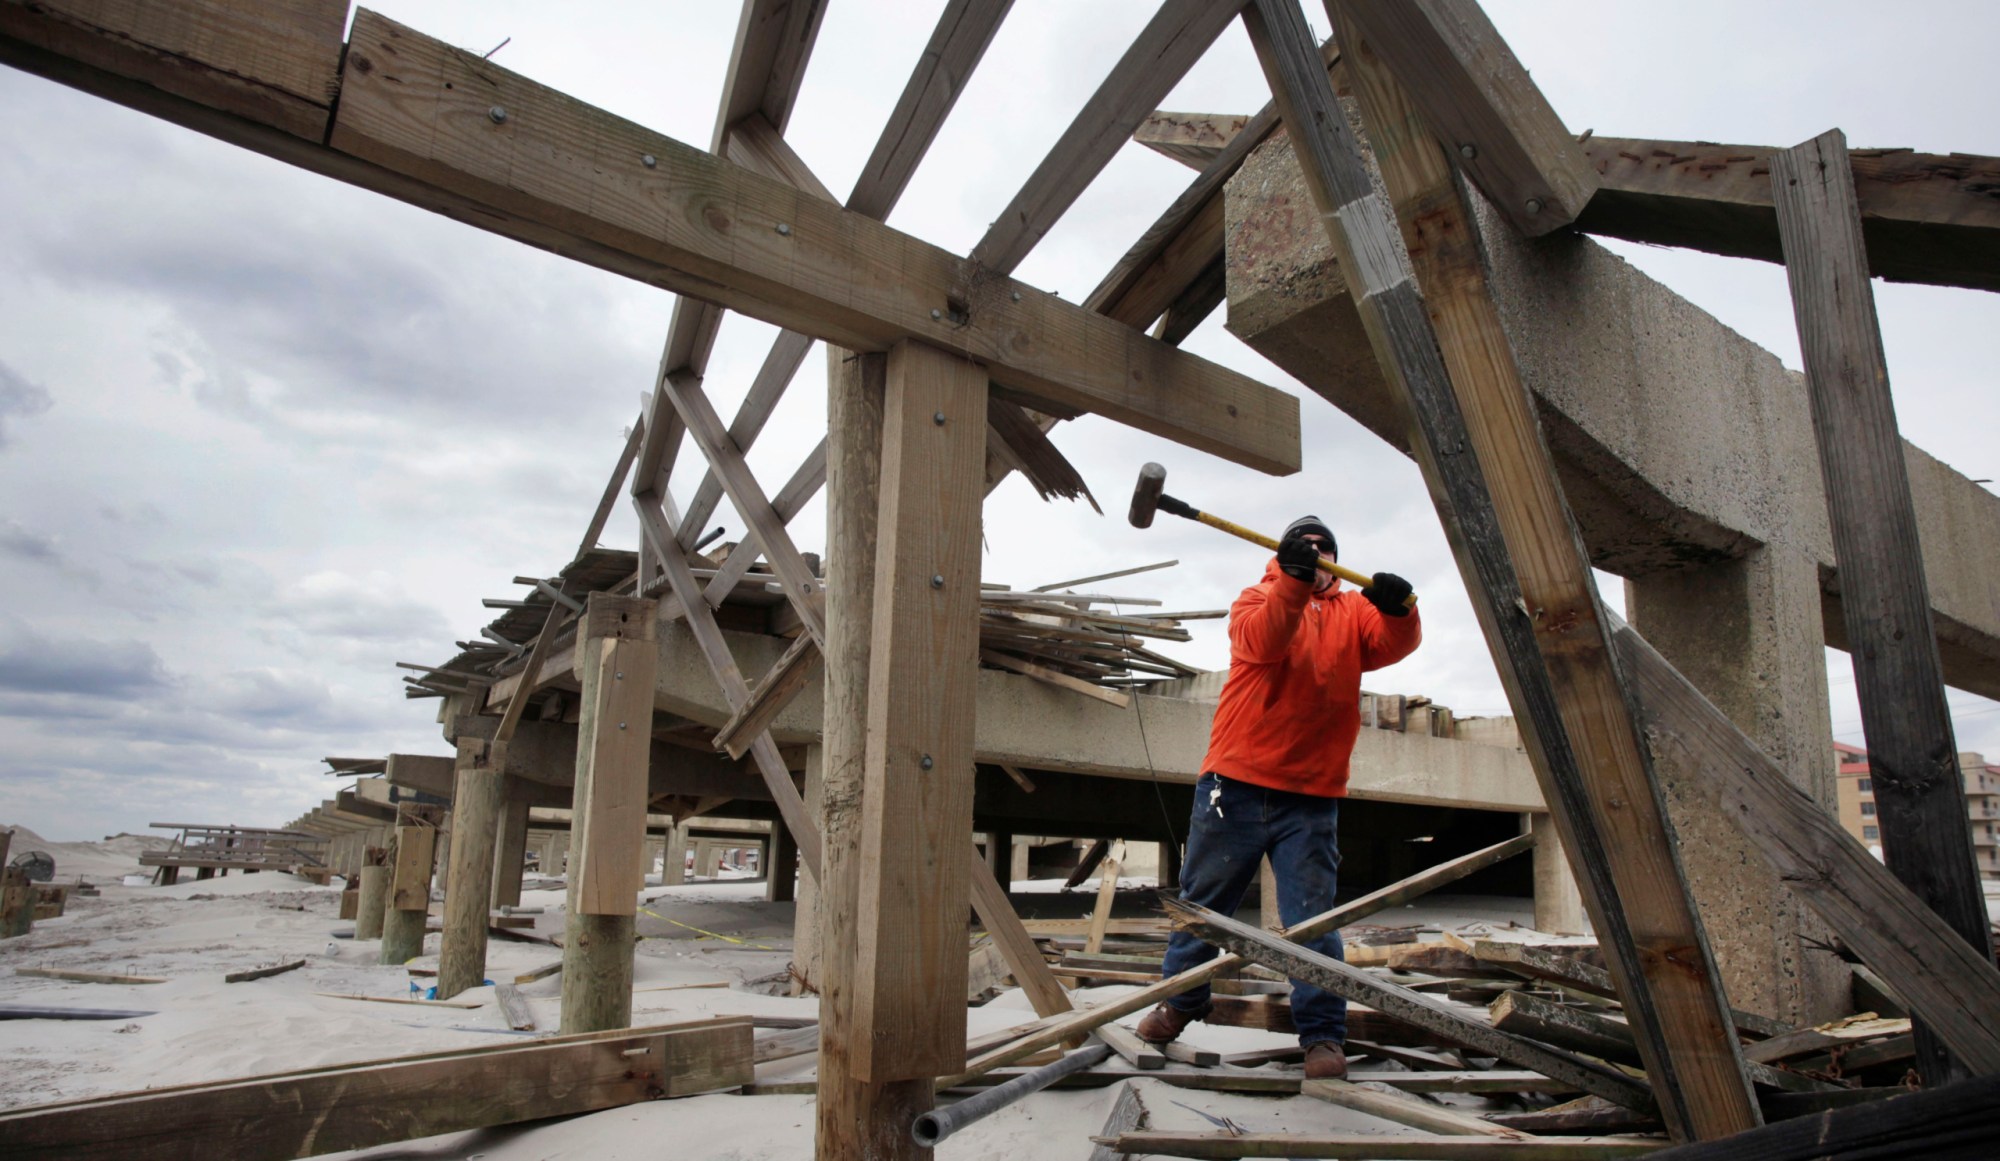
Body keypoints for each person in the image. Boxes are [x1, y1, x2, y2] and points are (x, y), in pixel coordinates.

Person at [1135, 516, 1420, 1080]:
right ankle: (1180, 1001)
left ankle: (1321, 1037)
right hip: (1234, 785)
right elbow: (1262, 642)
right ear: (1287, 555)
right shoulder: (1258, 596)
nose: (1318, 553)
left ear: (1336, 562)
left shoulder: (1354, 612)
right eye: (1306, 546)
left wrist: (1400, 609)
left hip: (1311, 795)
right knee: (1202, 907)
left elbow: (1392, 645)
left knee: (1312, 920)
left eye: (1327, 547)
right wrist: (1290, 583)